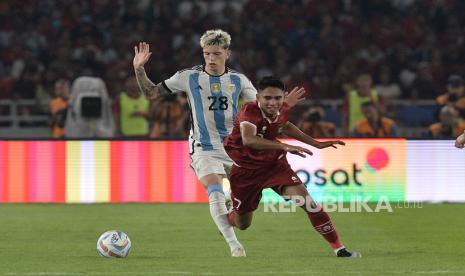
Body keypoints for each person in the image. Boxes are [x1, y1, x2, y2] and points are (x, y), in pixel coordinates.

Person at [133, 29, 305, 257]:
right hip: (203, 147)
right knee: (214, 190)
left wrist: (285, 106)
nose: (211, 59)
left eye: (216, 53)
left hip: (235, 149)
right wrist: (139, 69)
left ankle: (230, 214)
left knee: (244, 221)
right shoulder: (188, 77)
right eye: (206, 54)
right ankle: (235, 246)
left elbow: (263, 110)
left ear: (227, 53)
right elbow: (152, 93)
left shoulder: (238, 80)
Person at [224, 76, 361, 258]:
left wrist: (316, 144)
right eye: (268, 98)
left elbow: (285, 125)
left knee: (310, 204)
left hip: (274, 166)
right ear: (258, 97)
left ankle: (340, 249)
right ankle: (228, 216)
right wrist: (284, 146)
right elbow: (249, 140)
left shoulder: (283, 109)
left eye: (277, 98)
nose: (273, 103)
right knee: (242, 224)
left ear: (283, 98)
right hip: (246, 172)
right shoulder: (249, 111)